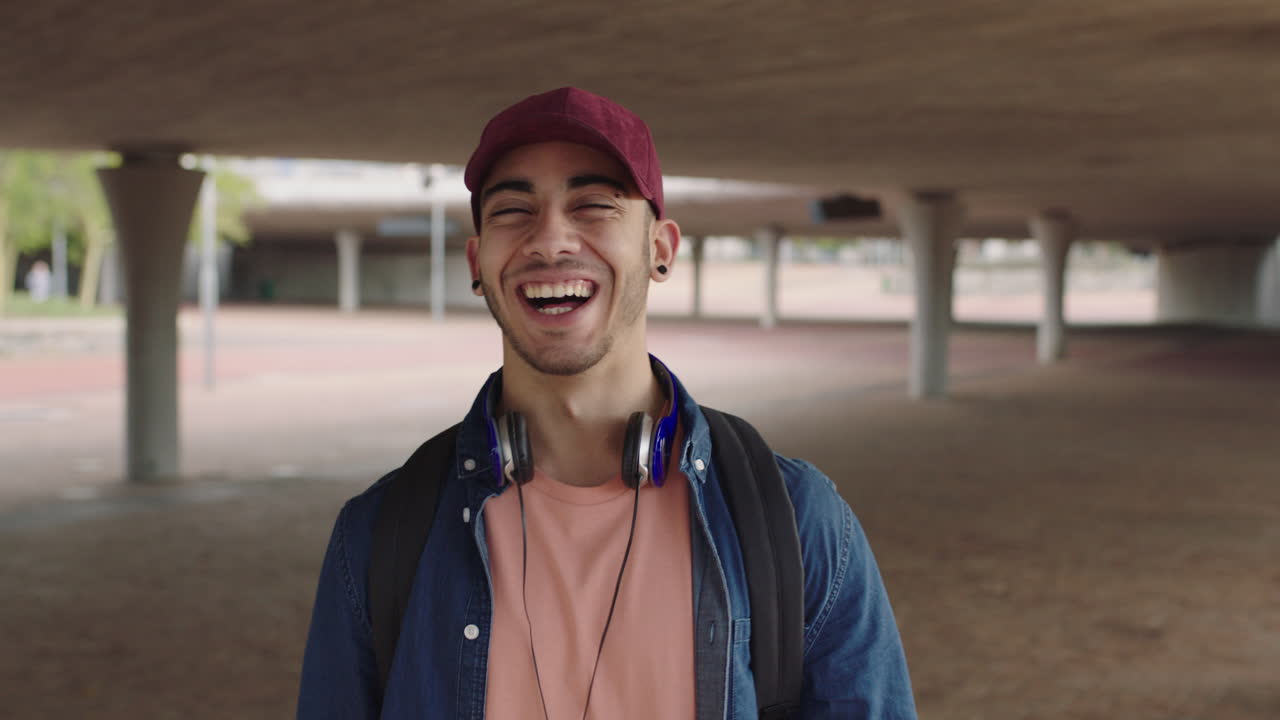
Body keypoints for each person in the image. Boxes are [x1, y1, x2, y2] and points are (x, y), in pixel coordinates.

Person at [298, 87, 916, 720]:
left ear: (661, 250)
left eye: (593, 205)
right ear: (477, 261)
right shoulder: (378, 535)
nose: (551, 239)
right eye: (514, 209)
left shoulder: (798, 521)